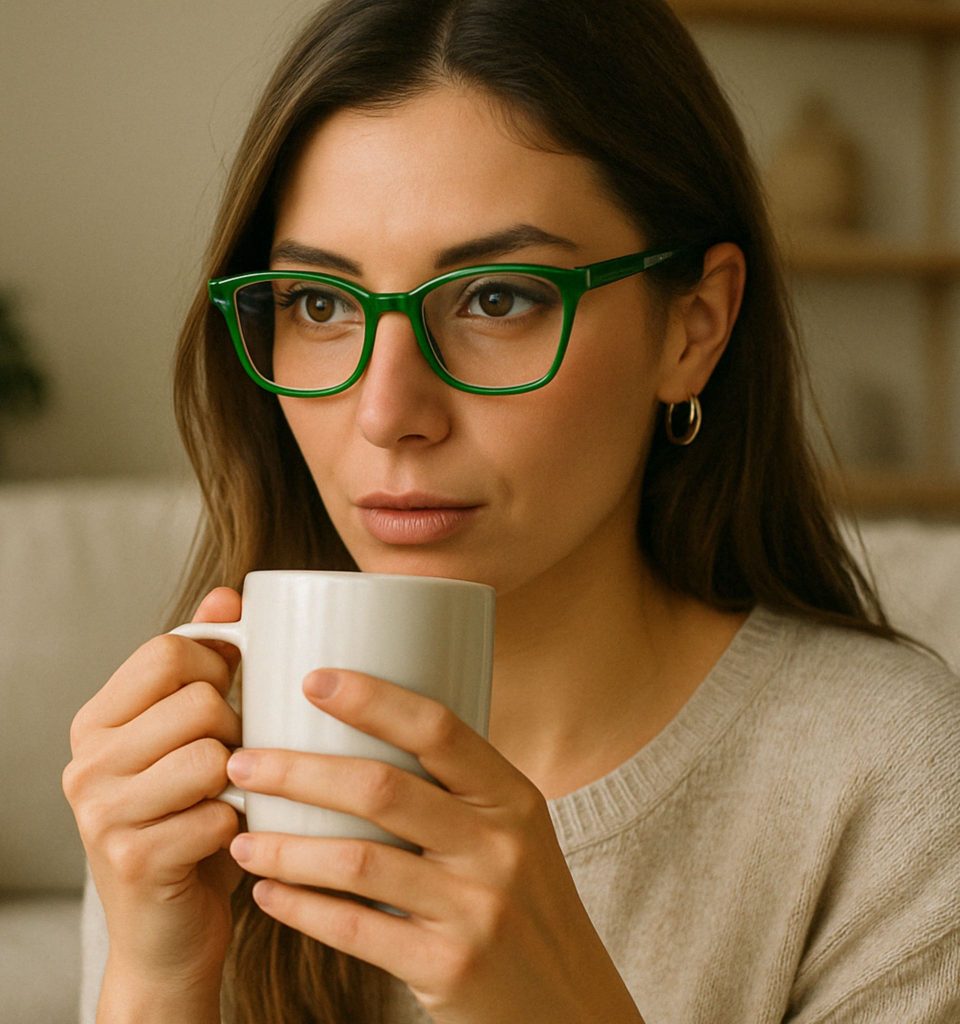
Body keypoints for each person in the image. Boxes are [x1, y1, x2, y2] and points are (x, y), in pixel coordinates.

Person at [63, 1, 960, 1022]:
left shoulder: (895, 780)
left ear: (694, 326)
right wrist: (155, 981)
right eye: (321, 304)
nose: (387, 411)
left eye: (496, 298)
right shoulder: (198, 763)